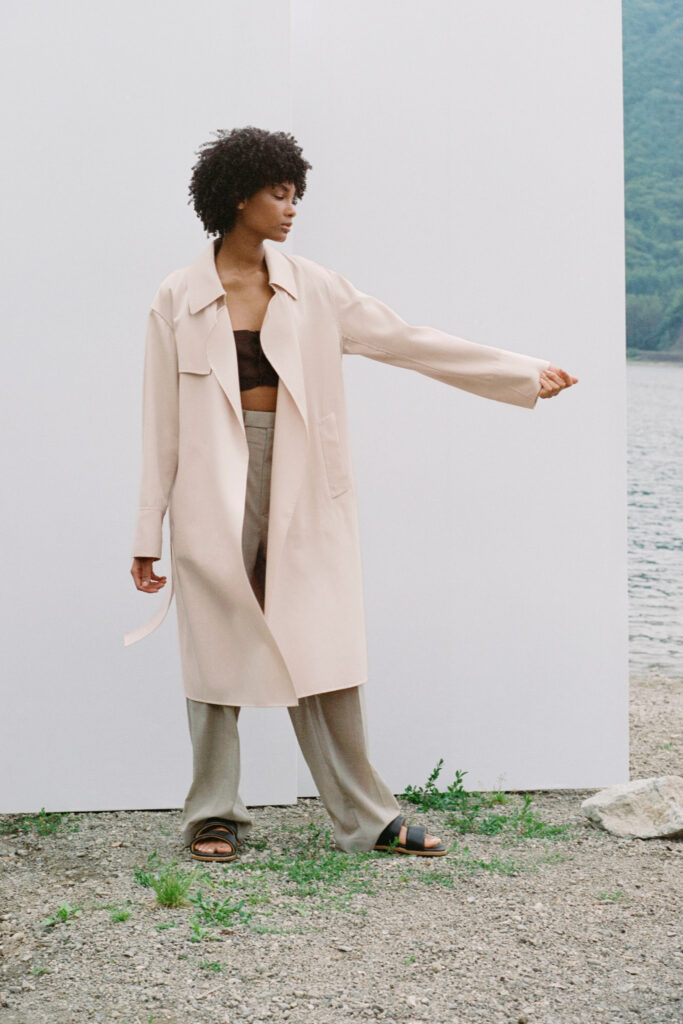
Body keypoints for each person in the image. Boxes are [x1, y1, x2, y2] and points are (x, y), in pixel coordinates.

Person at [127, 126, 577, 863]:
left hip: (303, 482)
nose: (291, 208)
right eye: (279, 193)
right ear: (237, 197)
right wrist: (148, 531)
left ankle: (367, 817)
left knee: (320, 644)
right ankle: (214, 815)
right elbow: (160, 421)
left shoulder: (317, 288)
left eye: (295, 194)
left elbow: (409, 341)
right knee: (212, 645)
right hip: (210, 488)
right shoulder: (178, 296)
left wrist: (520, 372)